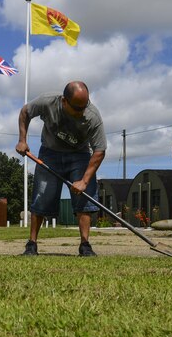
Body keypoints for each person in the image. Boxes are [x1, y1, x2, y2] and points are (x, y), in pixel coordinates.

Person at [15, 81, 107, 257]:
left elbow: (99, 150)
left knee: (84, 200)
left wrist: (84, 181)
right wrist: (22, 140)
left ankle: (85, 245)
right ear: (64, 101)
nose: (82, 111)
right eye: (77, 108)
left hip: (79, 156)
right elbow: (25, 112)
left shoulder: (92, 116)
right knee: (41, 197)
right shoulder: (47, 101)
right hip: (50, 153)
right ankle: (32, 244)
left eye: (84, 106)